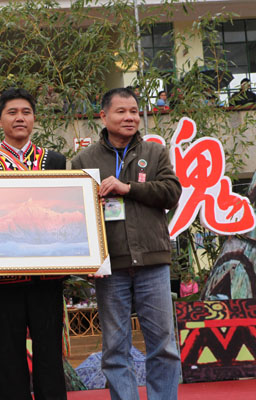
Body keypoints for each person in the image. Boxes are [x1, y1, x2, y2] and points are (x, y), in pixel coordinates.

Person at [71, 87, 182, 400]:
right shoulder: (83, 160)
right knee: (115, 348)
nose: (130, 117)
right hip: (111, 266)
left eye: (134, 111)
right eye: (121, 111)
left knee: (163, 345)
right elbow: (76, 214)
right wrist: (87, 261)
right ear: (104, 116)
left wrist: (128, 188)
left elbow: (172, 193)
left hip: (153, 261)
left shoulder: (155, 153)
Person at [0, 88, 67, 400]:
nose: (20, 118)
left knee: (50, 354)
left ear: (35, 118)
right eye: (12, 112)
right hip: (0, 279)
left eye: (26, 112)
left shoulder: (55, 161)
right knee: (7, 356)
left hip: (47, 277)